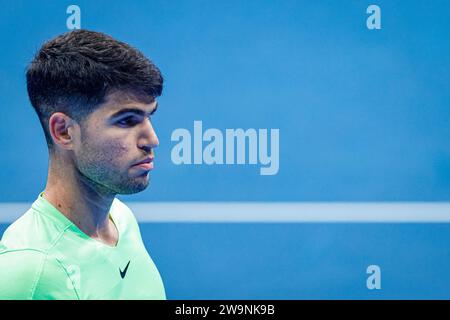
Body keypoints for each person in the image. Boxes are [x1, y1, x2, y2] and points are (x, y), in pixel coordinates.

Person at [0, 29, 166, 299]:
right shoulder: (29, 273)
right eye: (127, 120)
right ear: (64, 131)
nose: (152, 139)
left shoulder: (121, 218)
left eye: (149, 117)